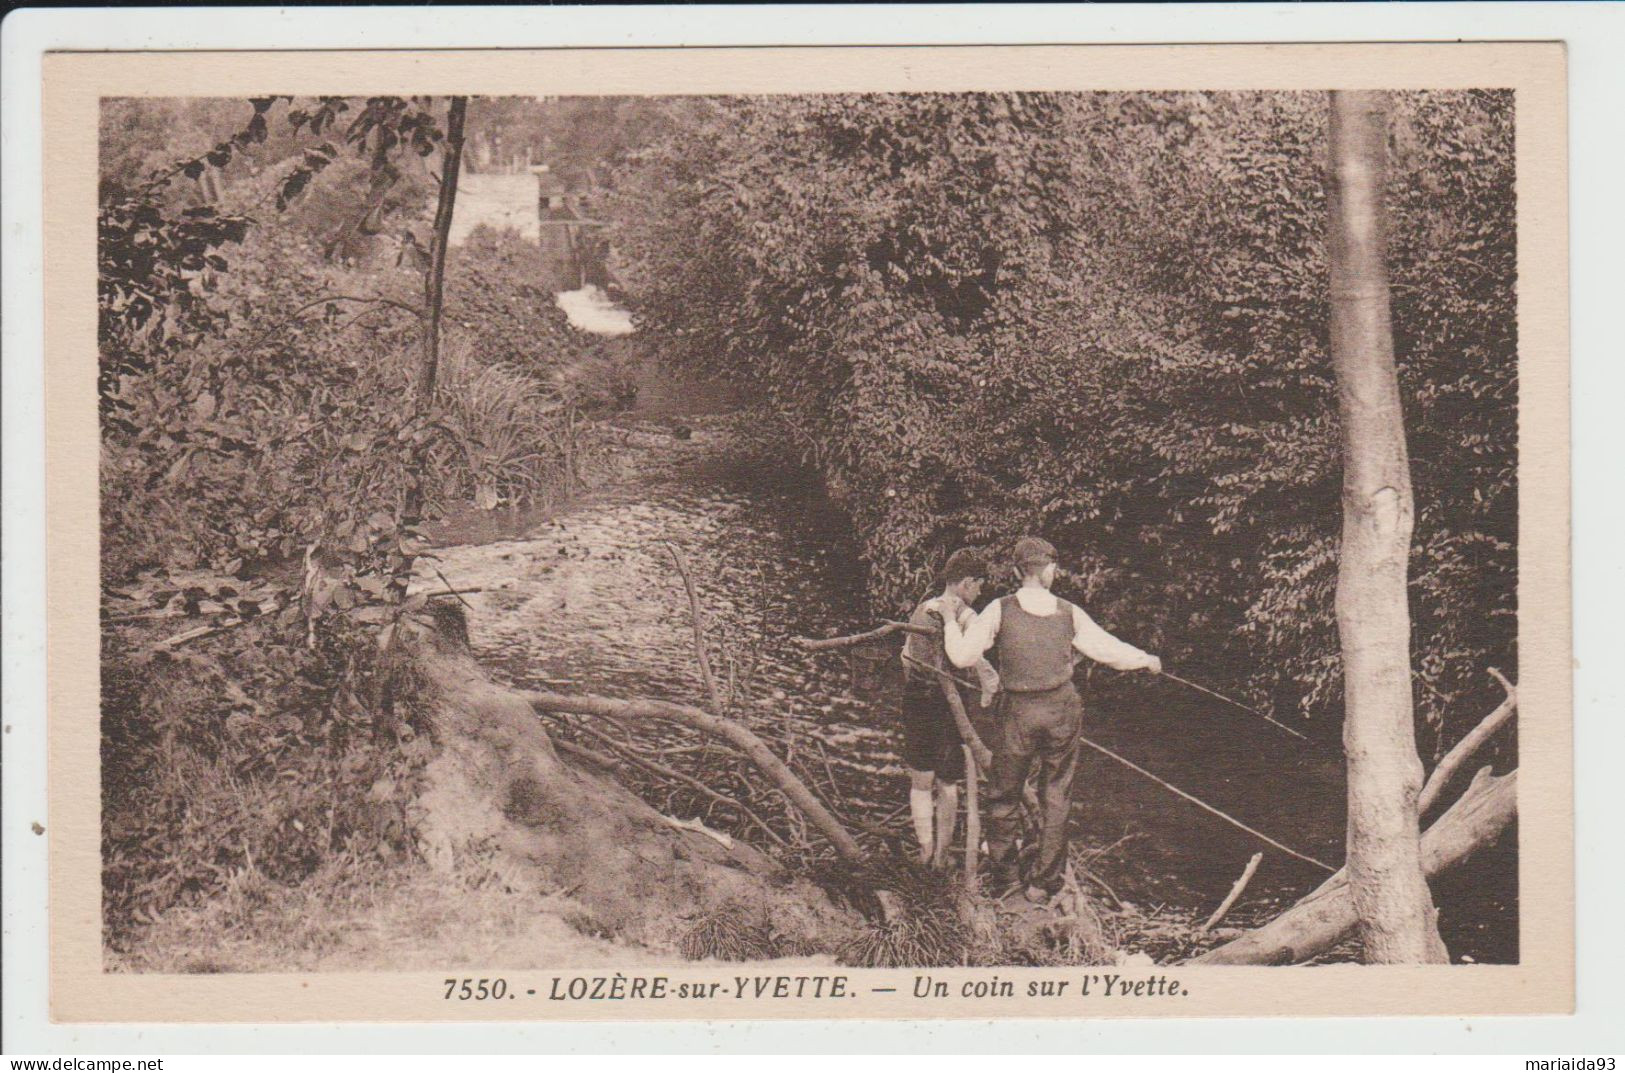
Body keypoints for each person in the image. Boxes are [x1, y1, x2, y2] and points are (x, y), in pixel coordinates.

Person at [939, 536, 1161, 902]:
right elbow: (1108, 649)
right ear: (1048, 572)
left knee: (1003, 794)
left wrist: (950, 620)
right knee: (1056, 795)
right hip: (1062, 711)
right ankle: (1042, 885)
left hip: (1018, 713)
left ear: (1016, 572)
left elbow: (962, 657)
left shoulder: (999, 609)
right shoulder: (1069, 611)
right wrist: (1147, 660)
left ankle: (1006, 879)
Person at [897, 547, 1000, 868]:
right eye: (979, 585)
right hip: (947, 705)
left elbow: (905, 657)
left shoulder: (921, 608)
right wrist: (988, 684)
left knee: (920, 779)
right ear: (966, 583)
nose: (980, 591)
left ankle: (925, 849)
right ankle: (941, 854)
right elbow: (978, 655)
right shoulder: (965, 614)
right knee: (947, 781)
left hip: (917, 698)